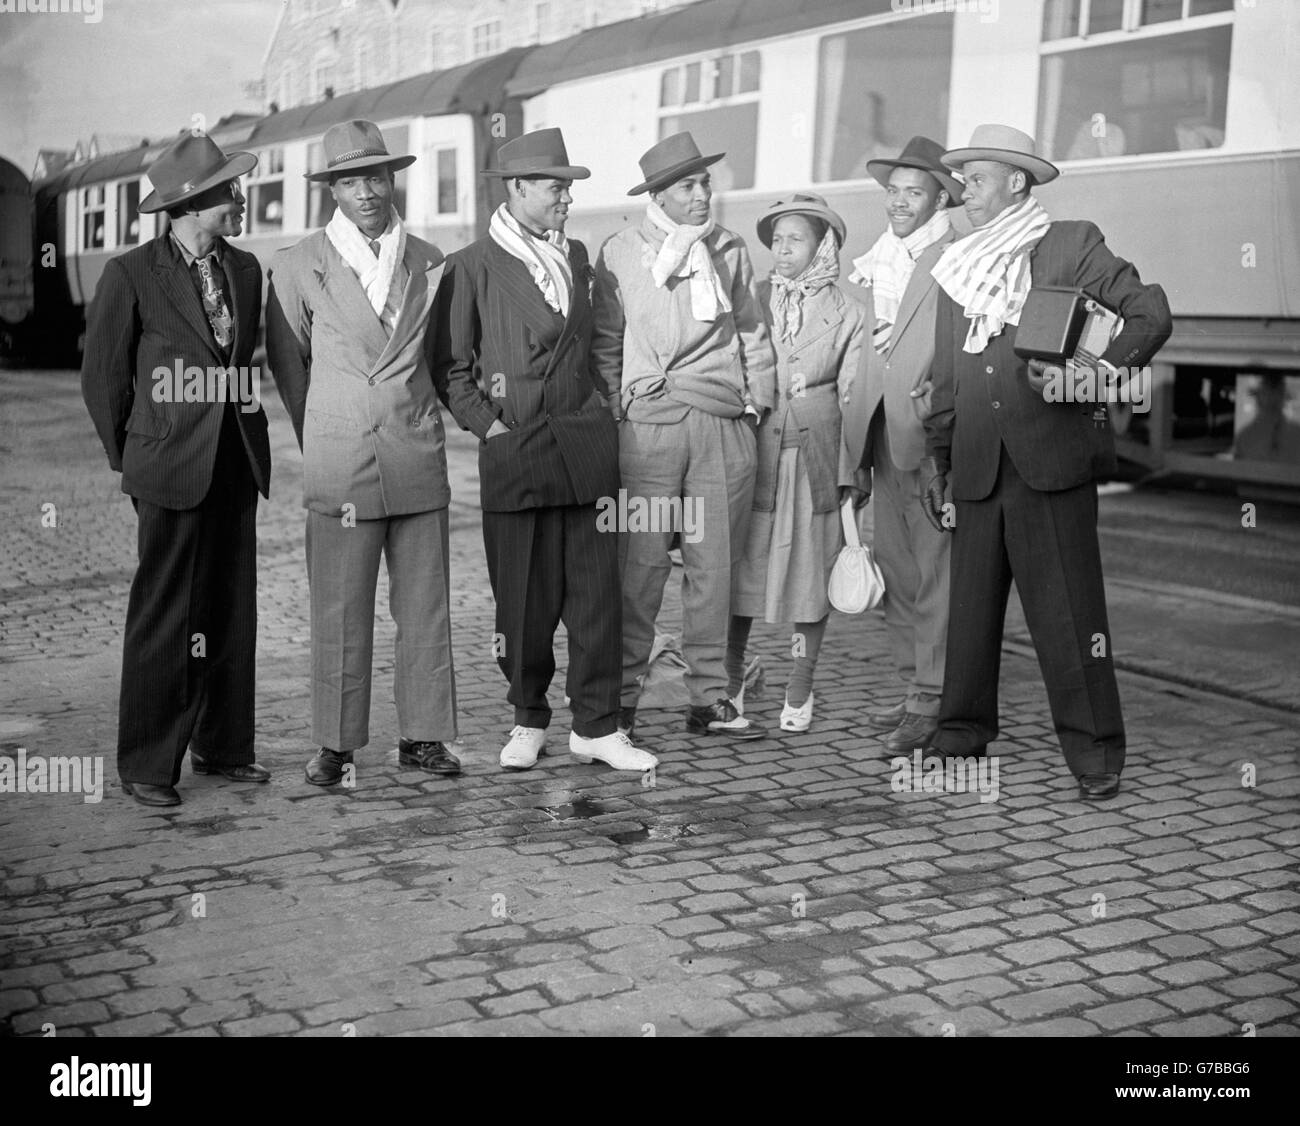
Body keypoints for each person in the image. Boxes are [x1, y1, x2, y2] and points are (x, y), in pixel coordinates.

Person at [921, 124, 1172, 801]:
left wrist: (1093, 376)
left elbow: (1149, 314)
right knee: (969, 618)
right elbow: (948, 375)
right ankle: (959, 734)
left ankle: (1096, 756)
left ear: (1017, 182)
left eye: (976, 178)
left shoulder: (1069, 243)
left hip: (1050, 460)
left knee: (1069, 617)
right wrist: (940, 461)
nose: (963, 190)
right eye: (962, 178)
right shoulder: (958, 264)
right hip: (975, 464)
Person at [433, 128, 655, 774]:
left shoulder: (577, 255)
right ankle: (527, 717)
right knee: (522, 603)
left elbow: (591, 347)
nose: (566, 197)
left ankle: (598, 726)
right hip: (519, 451)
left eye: (569, 186)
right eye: (556, 186)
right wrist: (491, 427)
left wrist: (604, 411)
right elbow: (449, 367)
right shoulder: (471, 265)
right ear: (519, 189)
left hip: (586, 448)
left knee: (596, 598)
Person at [265, 120, 460, 787]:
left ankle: (424, 737)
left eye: (375, 177)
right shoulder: (296, 264)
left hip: (415, 453)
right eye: (351, 181)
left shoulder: (431, 261)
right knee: (340, 607)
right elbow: (289, 365)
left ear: (392, 179)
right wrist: (322, 429)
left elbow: (445, 357)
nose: (367, 192)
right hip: (340, 460)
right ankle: (336, 746)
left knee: (426, 605)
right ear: (334, 191)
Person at [81, 132, 272, 807]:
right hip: (167, 467)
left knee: (230, 609)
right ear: (193, 205)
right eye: (231, 194)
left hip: (234, 462)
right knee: (166, 614)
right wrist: (132, 457)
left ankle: (223, 747)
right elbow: (104, 379)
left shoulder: (245, 269)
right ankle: (147, 763)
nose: (243, 201)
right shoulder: (131, 275)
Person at [592, 132, 777, 742]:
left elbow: (752, 330)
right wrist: (621, 410)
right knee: (639, 568)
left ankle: (709, 698)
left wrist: (757, 405)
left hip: (721, 425)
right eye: (686, 188)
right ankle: (619, 703)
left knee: (712, 567)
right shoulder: (620, 250)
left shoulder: (729, 248)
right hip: (648, 431)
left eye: (705, 184)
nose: (701, 196)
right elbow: (607, 342)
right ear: (659, 196)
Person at [840, 136, 961, 753]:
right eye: (893, 192)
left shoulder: (955, 253)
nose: (899, 203)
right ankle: (915, 687)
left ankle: (934, 701)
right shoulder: (880, 256)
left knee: (935, 573)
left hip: (927, 434)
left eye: (914, 192)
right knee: (894, 566)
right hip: (879, 434)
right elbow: (863, 358)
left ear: (941, 196)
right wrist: (850, 449)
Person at [728, 194, 864, 732]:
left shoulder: (849, 311)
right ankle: (730, 685)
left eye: (796, 239)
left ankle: (799, 688)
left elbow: (853, 396)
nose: (783, 250)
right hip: (754, 454)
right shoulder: (751, 298)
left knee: (812, 577)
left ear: (822, 245)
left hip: (816, 460)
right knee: (742, 571)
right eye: (777, 239)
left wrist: (853, 472)